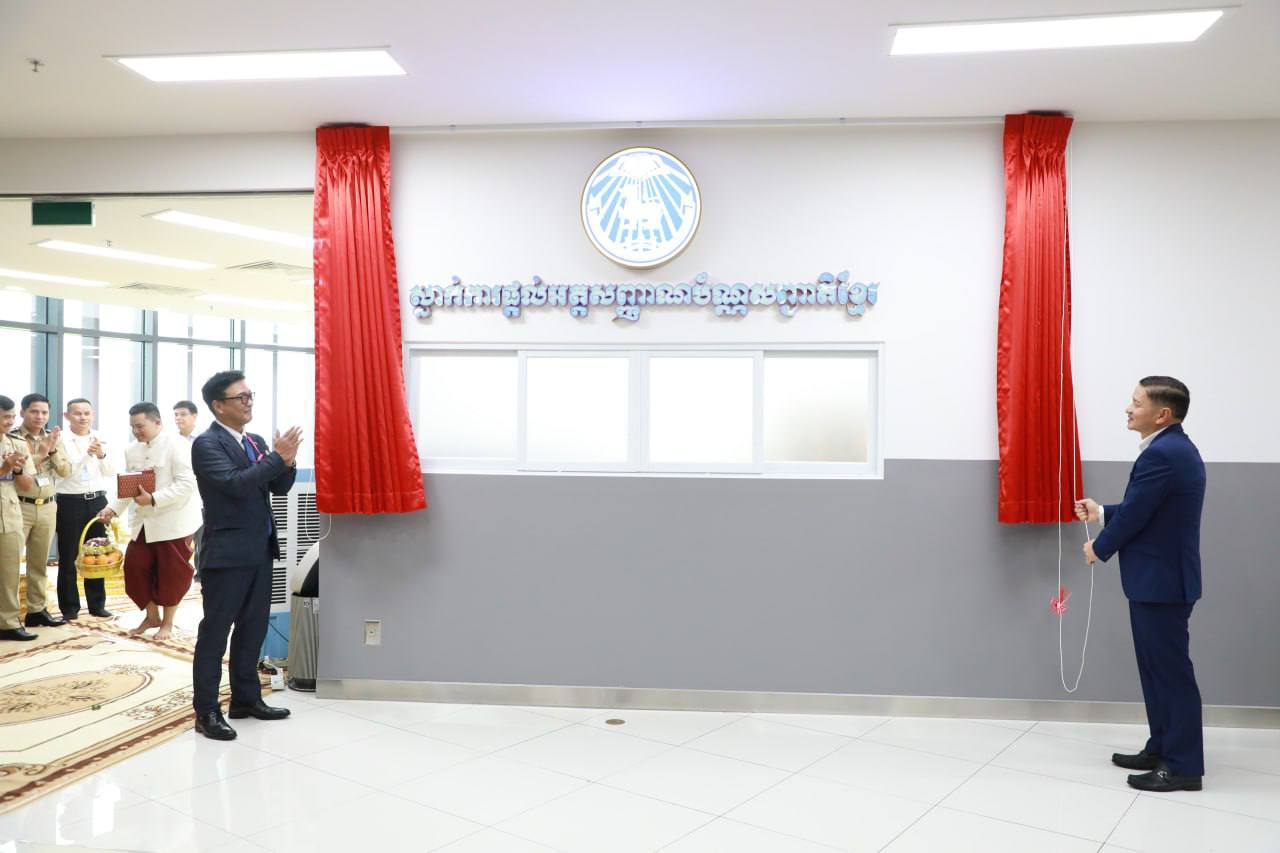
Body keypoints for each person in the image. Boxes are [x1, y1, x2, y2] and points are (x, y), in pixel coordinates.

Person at [1076, 376, 1206, 793]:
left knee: (1170, 675)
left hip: (1162, 583)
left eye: (1136, 402)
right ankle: (1162, 747)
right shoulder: (1172, 449)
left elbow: (1136, 516)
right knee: (1156, 671)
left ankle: (1182, 767)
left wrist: (1099, 547)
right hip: (1159, 581)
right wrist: (1101, 513)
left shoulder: (1163, 453)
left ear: (1162, 414)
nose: (1128, 409)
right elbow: (1146, 508)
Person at [190, 370, 301, 741]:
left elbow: (279, 486)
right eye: (241, 397)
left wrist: (288, 461)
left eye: (250, 395)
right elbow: (235, 485)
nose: (248, 402)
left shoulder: (254, 440)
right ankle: (207, 711)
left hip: (260, 549)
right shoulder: (207, 444)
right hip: (227, 553)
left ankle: (246, 699)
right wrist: (277, 458)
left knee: (253, 629)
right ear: (218, 405)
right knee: (215, 633)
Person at [99, 403, 202, 640]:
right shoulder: (131, 449)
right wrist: (112, 509)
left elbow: (187, 484)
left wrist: (154, 499)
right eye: (133, 427)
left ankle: (167, 622)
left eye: (140, 426)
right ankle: (151, 616)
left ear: (157, 423)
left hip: (173, 521)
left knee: (172, 574)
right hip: (144, 523)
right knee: (135, 569)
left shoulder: (178, 444)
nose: (136, 431)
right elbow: (129, 486)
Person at [10, 393, 68, 629]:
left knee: (40, 562)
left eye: (44, 412)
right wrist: (42, 451)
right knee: (10, 564)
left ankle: (37, 611)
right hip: (20, 505)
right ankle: (9, 617)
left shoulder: (53, 438)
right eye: (34, 411)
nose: (40, 416)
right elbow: (18, 467)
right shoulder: (12, 437)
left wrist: (52, 450)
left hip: (48, 506)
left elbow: (65, 471)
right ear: (22, 412)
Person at [54, 398, 114, 620]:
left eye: (87, 413)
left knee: (97, 552)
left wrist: (101, 455)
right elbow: (64, 472)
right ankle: (69, 607)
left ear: (93, 414)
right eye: (77, 413)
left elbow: (110, 471)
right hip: (69, 501)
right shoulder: (60, 440)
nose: (83, 417)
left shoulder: (100, 437)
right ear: (67, 416)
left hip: (97, 500)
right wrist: (86, 454)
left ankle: (97, 604)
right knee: (69, 554)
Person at [0, 396, 36, 641]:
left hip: (10, 514)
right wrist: (4, 468)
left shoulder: (17, 443)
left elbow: (26, 485)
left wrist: (18, 468)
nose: (11, 421)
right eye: (6, 417)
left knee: (10, 571)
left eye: (13, 416)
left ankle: (9, 623)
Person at [174, 400, 202, 575]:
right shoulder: (171, 441)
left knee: (202, 541)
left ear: (194, 416)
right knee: (180, 543)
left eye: (183, 414)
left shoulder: (204, 440)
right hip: (178, 500)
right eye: (176, 415)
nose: (178, 418)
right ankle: (179, 576)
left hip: (201, 497)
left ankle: (201, 577)